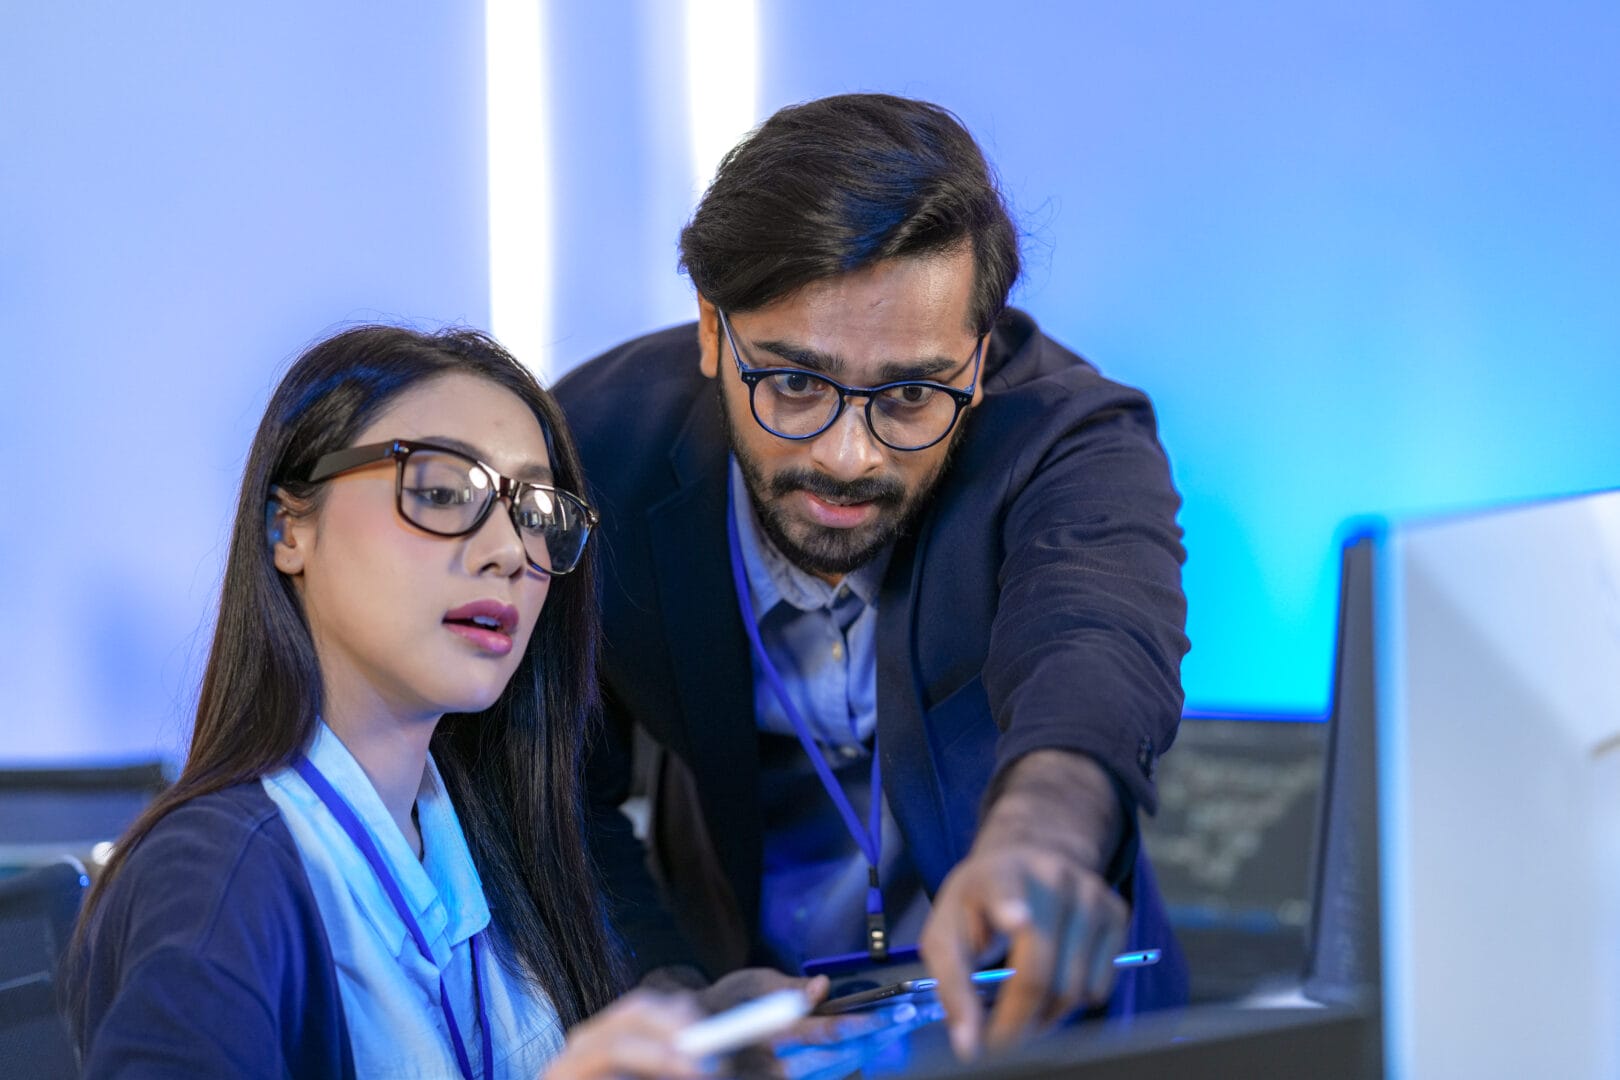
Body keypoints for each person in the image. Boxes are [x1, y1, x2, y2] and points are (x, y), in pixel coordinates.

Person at [555, 92, 1191, 1060]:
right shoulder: (598, 453)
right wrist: (670, 988)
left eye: (911, 394)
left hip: (1036, 1024)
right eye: (794, 383)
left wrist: (1042, 837)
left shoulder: (1070, 440)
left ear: (979, 356)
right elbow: (560, 797)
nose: (848, 457)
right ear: (711, 330)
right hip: (753, 1021)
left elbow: (1097, 644)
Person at [67, 325, 768, 1078]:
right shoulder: (217, 876)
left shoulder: (492, 836)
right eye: (440, 493)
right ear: (288, 527)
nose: (509, 551)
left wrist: (707, 1036)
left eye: (536, 515)